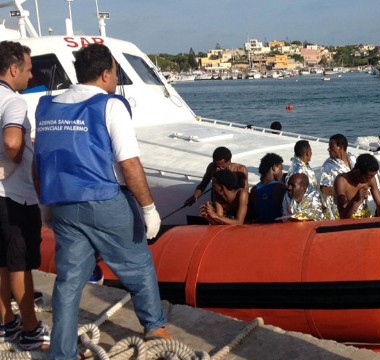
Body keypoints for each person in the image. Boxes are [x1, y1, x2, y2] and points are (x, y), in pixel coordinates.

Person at [33, 44, 169, 359]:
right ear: (106, 73)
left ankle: (61, 353)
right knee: (138, 263)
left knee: (68, 282)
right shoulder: (110, 106)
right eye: (115, 73)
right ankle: (154, 326)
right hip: (105, 199)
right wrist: (148, 209)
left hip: (64, 204)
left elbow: (38, 162)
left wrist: (46, 206)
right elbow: (129, 164)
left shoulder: (47, 106)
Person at [0, 41, 50, 350]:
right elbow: (12, 142)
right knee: (20, 264)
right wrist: (11, 162)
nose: (31, 77)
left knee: (1, 263)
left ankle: (6, 322)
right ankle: (31, 329)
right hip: (14, 197)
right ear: (14, 69)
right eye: (29, 70)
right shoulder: (14, 102)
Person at [183, 146, 248, 207]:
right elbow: (203, 185)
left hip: (234, 206)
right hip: (217, 204)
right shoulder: (211, 167)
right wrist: (195, 196)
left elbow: (245, 192)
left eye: (221, 166)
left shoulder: (240, 170)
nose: (217, 169)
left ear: (229, 162)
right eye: (215, 165)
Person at [334, 153, 380, 219]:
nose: (370, 180)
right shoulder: (342, 181)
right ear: (357, 172)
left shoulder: (371, 178)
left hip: (365, 219)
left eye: (373, 176)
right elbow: (343, 217)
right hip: (345, 222)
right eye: (367, 178)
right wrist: (355, 200)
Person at [319, 134, 356, 219]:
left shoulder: (353, 158)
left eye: (331, 147)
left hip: (356, 205)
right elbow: (324, 189)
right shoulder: (328, 166)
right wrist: (347, 193)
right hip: (338, 208)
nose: (328, 149)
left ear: (340, 147)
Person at [249, 153, 287, 223]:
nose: (282, 173)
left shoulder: (254, 190)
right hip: (278, 228)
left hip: (262, 229)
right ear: (274, 168)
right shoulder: (280, 187)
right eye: (281, 169)